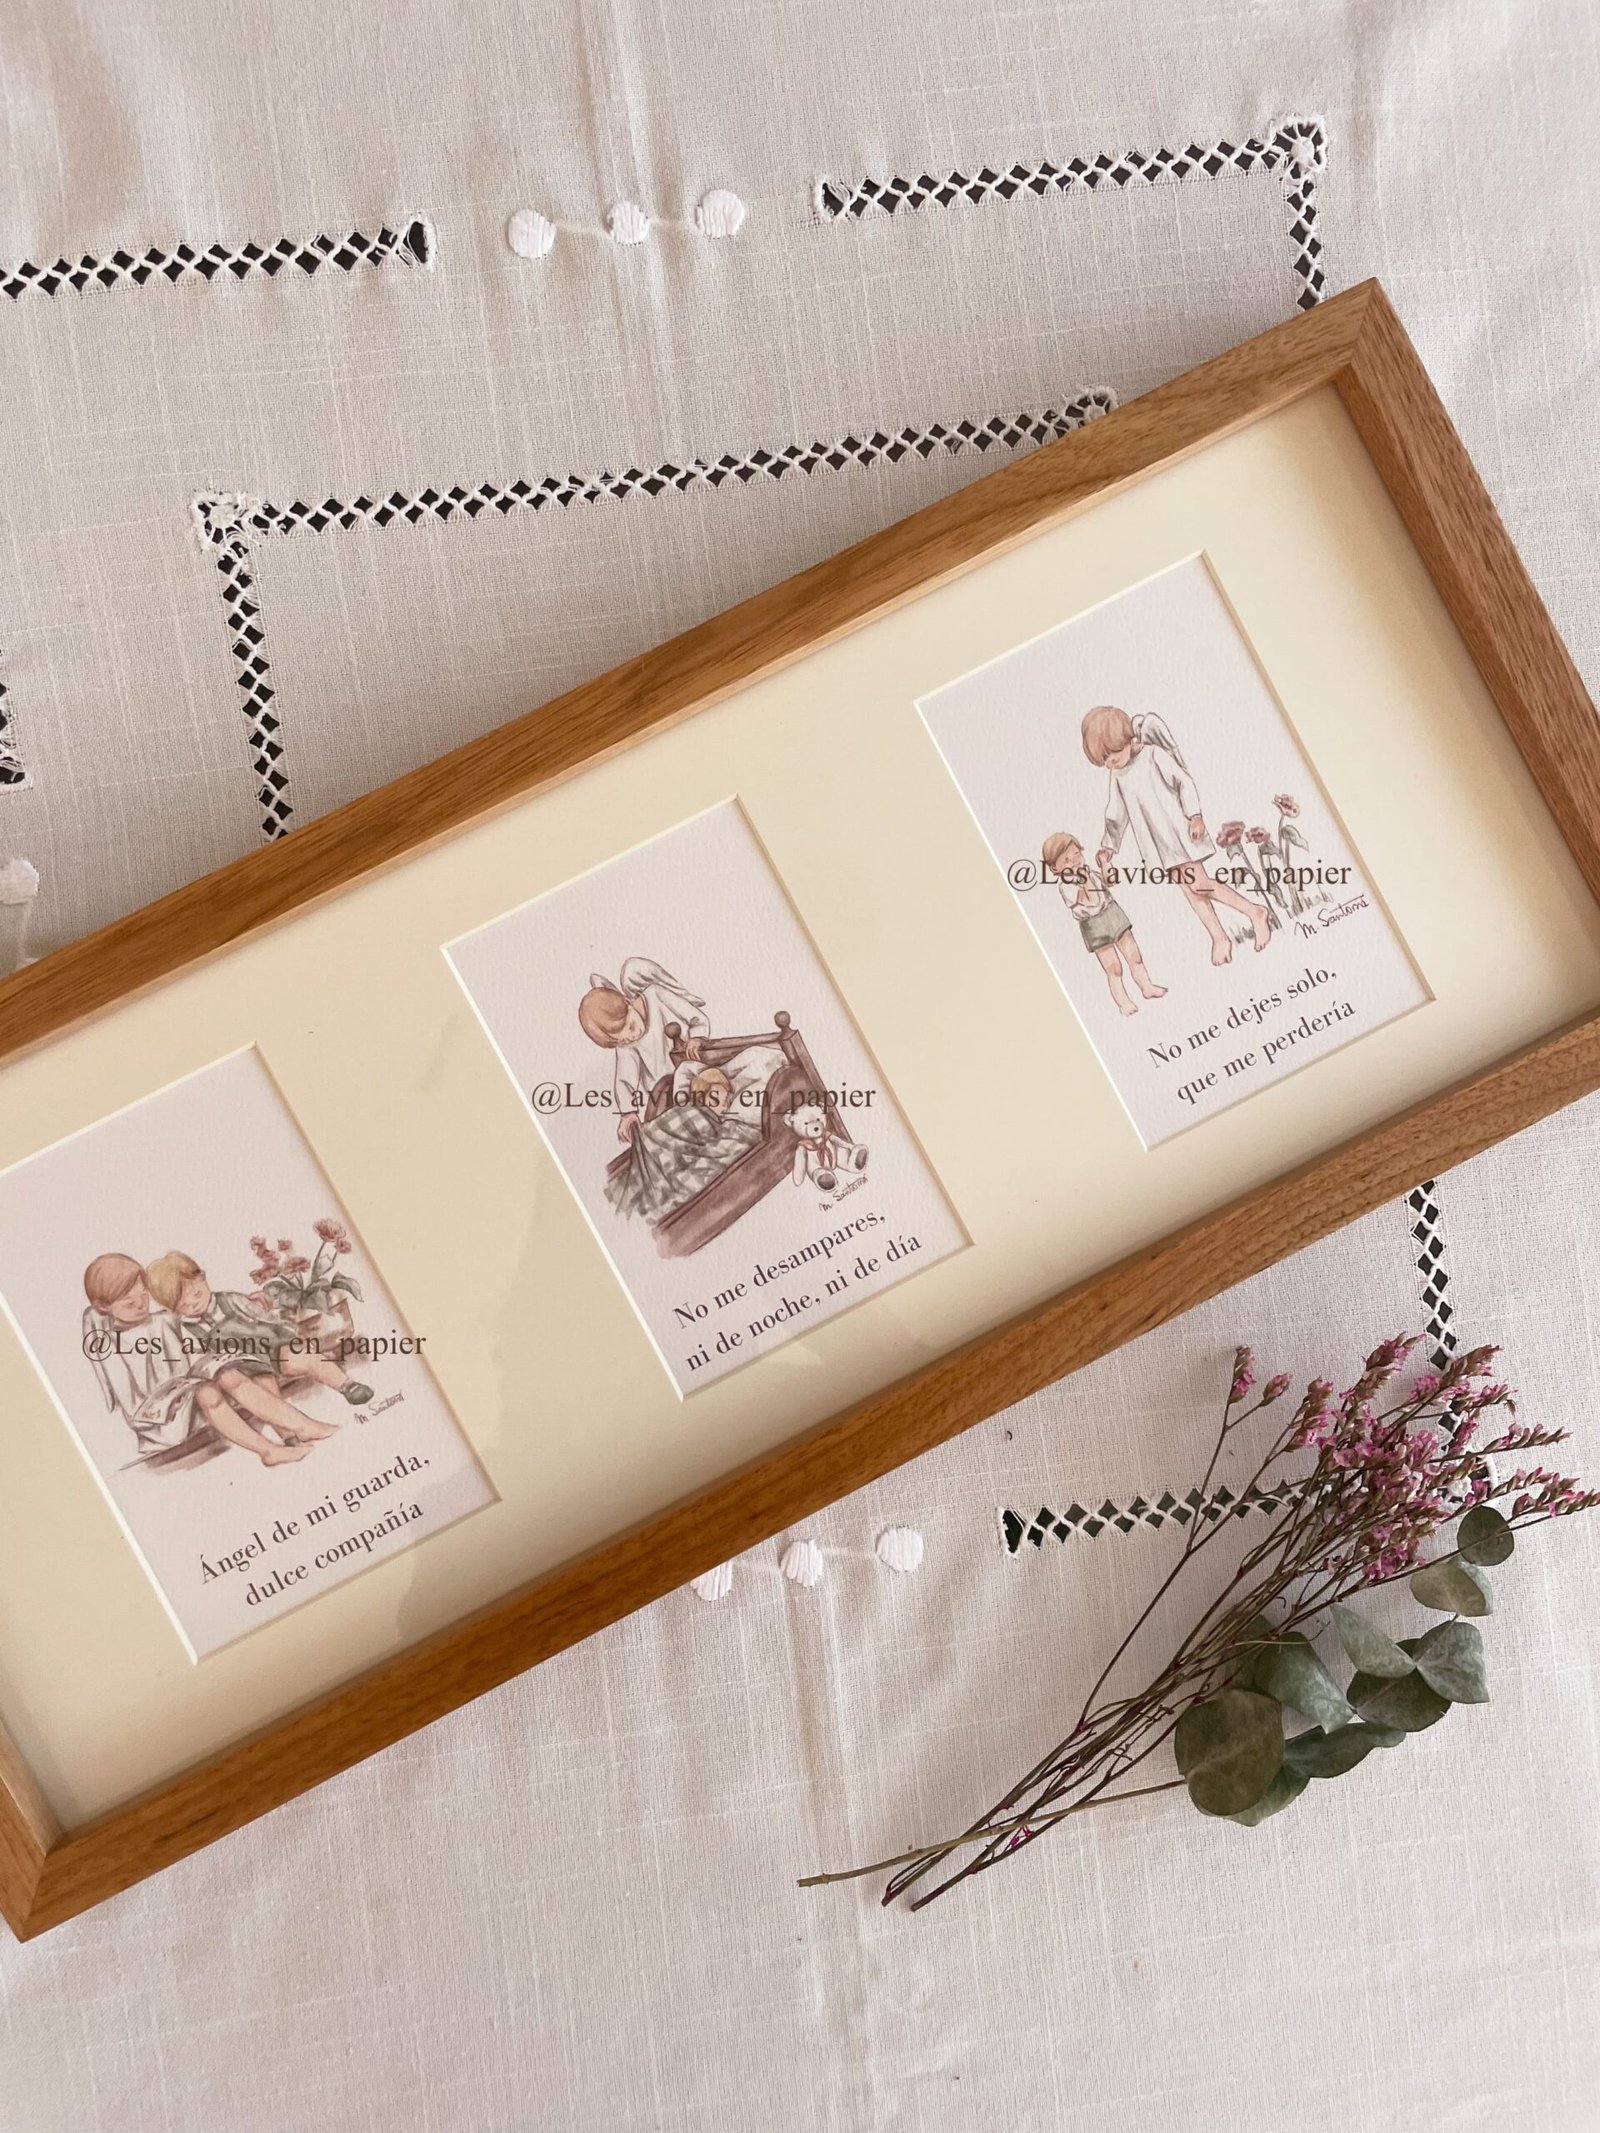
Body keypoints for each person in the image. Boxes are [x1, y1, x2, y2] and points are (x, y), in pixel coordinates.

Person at [1083, 704, 1271, 967]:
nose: (1109, 763)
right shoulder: (1117, 774)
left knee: (1199, 884)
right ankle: (1219, 936)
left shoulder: (1153, 755)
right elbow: (1116, 812)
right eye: (1103, 760)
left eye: (1110, 755)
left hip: (1179, 833)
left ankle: (1254, 911)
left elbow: (1183, 781)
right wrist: (1109, 846)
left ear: (1124, 739)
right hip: (1158, 843)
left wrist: (1195, 815)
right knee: (1191, 891)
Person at [143, 1251, 371, 1466]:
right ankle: (290, 1437)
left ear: (202, 1278)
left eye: (196, 1294)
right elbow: (200, 1359)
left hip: (270, 1345)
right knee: (266, 1391)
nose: (194, 1304)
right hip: (245, 1365)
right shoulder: (187, 1329)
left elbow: (263, 1317)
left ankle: (347, 1385)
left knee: (304, 1355)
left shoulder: (230, 1299)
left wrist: (288, 1331)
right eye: (184, 1305)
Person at [579, 955, 710, 1139]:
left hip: (697, 1081)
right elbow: (625, 1079)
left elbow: (697, 1019)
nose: (632, 1037)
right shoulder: (626, 1042)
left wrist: (697, 1038)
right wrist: (628, 1113)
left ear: (628, 1003)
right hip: (663, 1100)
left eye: (631, 1026)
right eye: (621, 1040)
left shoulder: (657, 996)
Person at [1041, 830, 1164, 1016]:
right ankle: (1124, 1003)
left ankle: (1146, 986)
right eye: (1066, 860)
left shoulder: (1090, 873)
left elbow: (1111, 881)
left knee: (1134, 956)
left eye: (1077, 854)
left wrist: (1105, 864)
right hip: (1094, 925)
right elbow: (1089, 899)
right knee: (1114, 968)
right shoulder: (1066, 887)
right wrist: (1084, 878)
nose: (1075, 861)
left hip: (1112, 913)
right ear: (1054, 868)